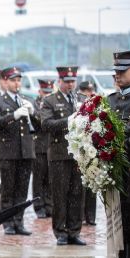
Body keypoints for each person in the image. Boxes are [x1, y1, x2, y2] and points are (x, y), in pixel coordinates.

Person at [39, 66, 86, 246]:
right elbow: (46, 124)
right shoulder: (50, 100)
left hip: (79, 154)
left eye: (73, 81)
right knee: (60, 193)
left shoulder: (81, 99)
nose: (70, 85)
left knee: (77, 193)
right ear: (60, 82)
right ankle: (60, 232)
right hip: (59, 154)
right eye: (67, 82)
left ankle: (74, 231)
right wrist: (68, 121)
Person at [0, 66, 38, 235]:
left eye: (18, 80)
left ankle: (19, 221)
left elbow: (38, 127)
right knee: (8, 190)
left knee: (22, 190)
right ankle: (7, 223)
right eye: (13, 80)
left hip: (25, 151)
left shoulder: (24, 99)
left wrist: (33, 113)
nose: (17, 83)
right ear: (6, 82)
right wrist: (13, 116)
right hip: (8, 152)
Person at [100, 50, 130, 258]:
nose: (117, 75)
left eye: (123, 71)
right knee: (118, 230)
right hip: (116, 177)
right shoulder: (111, 101)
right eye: (116, 71)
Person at [32, 79, 54, 218]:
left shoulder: (52, 102)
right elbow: (40, 121)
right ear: (39, 91)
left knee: (50, 178)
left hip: (51, 144)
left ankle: (49, 204)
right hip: (39, 145)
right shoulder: (35, 104)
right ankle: (39, 205)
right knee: (39, 178)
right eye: (45, 92)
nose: (47, 94)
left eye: (49, 92)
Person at [78, 80, 98, 226]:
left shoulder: (96, 103)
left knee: (92, 183)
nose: (89, 93)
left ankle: (91, 216)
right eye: (86, 91)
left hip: (93, 149)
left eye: (90, 90)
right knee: (80, 185)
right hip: (80, 149)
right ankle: (81, 215)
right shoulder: (78, 104)